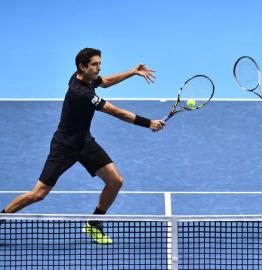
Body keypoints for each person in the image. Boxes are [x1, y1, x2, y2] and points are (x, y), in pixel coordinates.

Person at [0, 48, 165, 243]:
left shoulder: (84, 78)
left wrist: (133, 71)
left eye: (99, 63)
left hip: (84, 142)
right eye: (95, 64)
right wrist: (148, 123)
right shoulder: (80, 92)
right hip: (64, 147)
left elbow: (106, 82)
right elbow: (116, 112)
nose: (99, 68)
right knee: (38, 194)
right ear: (82, 66)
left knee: (115, 181)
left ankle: (94, 223)